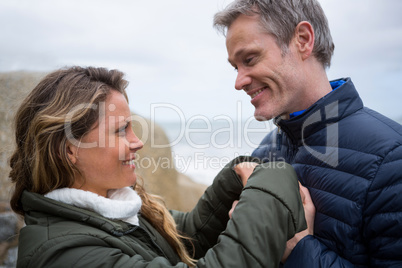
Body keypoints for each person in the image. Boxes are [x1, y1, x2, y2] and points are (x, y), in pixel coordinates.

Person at [9, 66, 310, 268]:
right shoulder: (64, 255)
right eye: (121, 130)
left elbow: (189, 235)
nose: (137, 142)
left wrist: (238, 176)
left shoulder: (117, 209)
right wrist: (270, 181)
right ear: (69, 150)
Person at [213, 0, 402, 267]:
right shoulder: (266, 151)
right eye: (236, 67)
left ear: (303, 40)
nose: (239, 81)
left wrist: (297, 248)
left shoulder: (393, 158)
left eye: (250, 59)